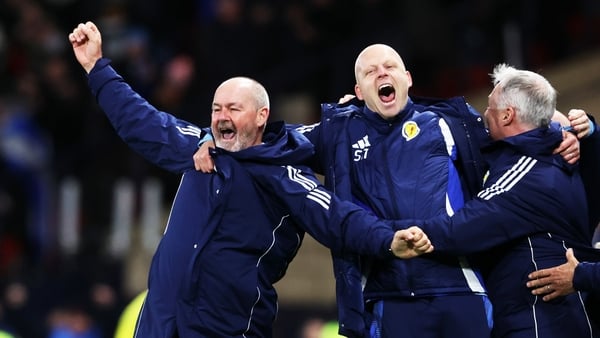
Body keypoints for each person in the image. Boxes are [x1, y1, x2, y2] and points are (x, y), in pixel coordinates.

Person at [68, 22, 433, 337]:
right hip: (161, 325)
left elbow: (337, 217)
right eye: (216, 109)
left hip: (227, 327)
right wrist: (96, 67)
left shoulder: (283, 174)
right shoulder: (199, 148)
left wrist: (387, 239)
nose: (221, 116)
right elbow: (140, 120)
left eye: (233, 108)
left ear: (261, 116)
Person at [194, 44, 584, 338]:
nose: (382, 73)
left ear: (408, 78)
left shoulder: (454, 123)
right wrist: (210, 139)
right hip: (387, 297)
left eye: (390, 66)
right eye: (370, 71)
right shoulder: (338, 131)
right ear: (359, 91)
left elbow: (522, 125)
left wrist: (570, 131)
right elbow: (269, 143)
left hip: (459, 288)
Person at [388, 63, 598, 337]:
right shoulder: (547, 149)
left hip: (538, 321)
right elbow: (461, 117)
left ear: (508, 115)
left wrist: (384, 232)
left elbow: (459, 230)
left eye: (490, 107)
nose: (484, 115)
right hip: (547, 316)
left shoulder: (528, 175)